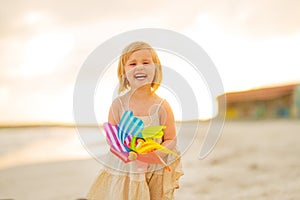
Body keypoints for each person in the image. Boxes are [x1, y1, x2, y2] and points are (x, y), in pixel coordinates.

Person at [87, 41, 183, 200]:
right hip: (126, 165)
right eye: (132, 63)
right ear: (123, 73)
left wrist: (156, 154)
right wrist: (128, 152)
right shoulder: (118, 105)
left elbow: (171, 138)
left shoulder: (162, 105)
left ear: (156, 69)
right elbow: (112, 137)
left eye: (146, 62)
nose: (140, 67)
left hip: (154, 165)